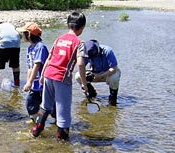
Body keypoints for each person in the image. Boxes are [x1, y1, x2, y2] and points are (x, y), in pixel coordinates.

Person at [31, 11, 88, 141]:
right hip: (62, 78)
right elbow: (80, 63)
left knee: (45, 105)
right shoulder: (79, 43)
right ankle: (62, 141)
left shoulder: (59, 39)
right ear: (82, 28)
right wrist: (84, 85)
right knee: (63, 111)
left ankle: (36, 130)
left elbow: (49, 58)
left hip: (49, 74)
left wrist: (43, 75)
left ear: (68, 25)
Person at [17, 22, 55, 122]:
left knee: (50, 105)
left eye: (23, 33)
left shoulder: (40, 47)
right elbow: (30, 67)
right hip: (35, 83)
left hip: (44, 82)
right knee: (30, 103)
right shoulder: (30, 48)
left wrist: (30, 82)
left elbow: (37, 65)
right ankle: (35, 120)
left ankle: (57, 120)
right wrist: (29, 82)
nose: (22, 36)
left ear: (29, 35)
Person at [75, 39, 121, 106]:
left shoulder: (108, 51)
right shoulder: (86, 53)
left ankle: (113, 98)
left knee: (114, 78)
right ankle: (92, 93)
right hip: (95, 72)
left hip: (108, 73)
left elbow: (114, 68)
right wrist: (84, 83)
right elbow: (81, 67)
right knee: (78, 76)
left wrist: (101, 76)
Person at [0, 19, 21, 87]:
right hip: (16, 43)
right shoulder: (10, 24)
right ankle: (17, 83)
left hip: (4, 43)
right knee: (15, 65)